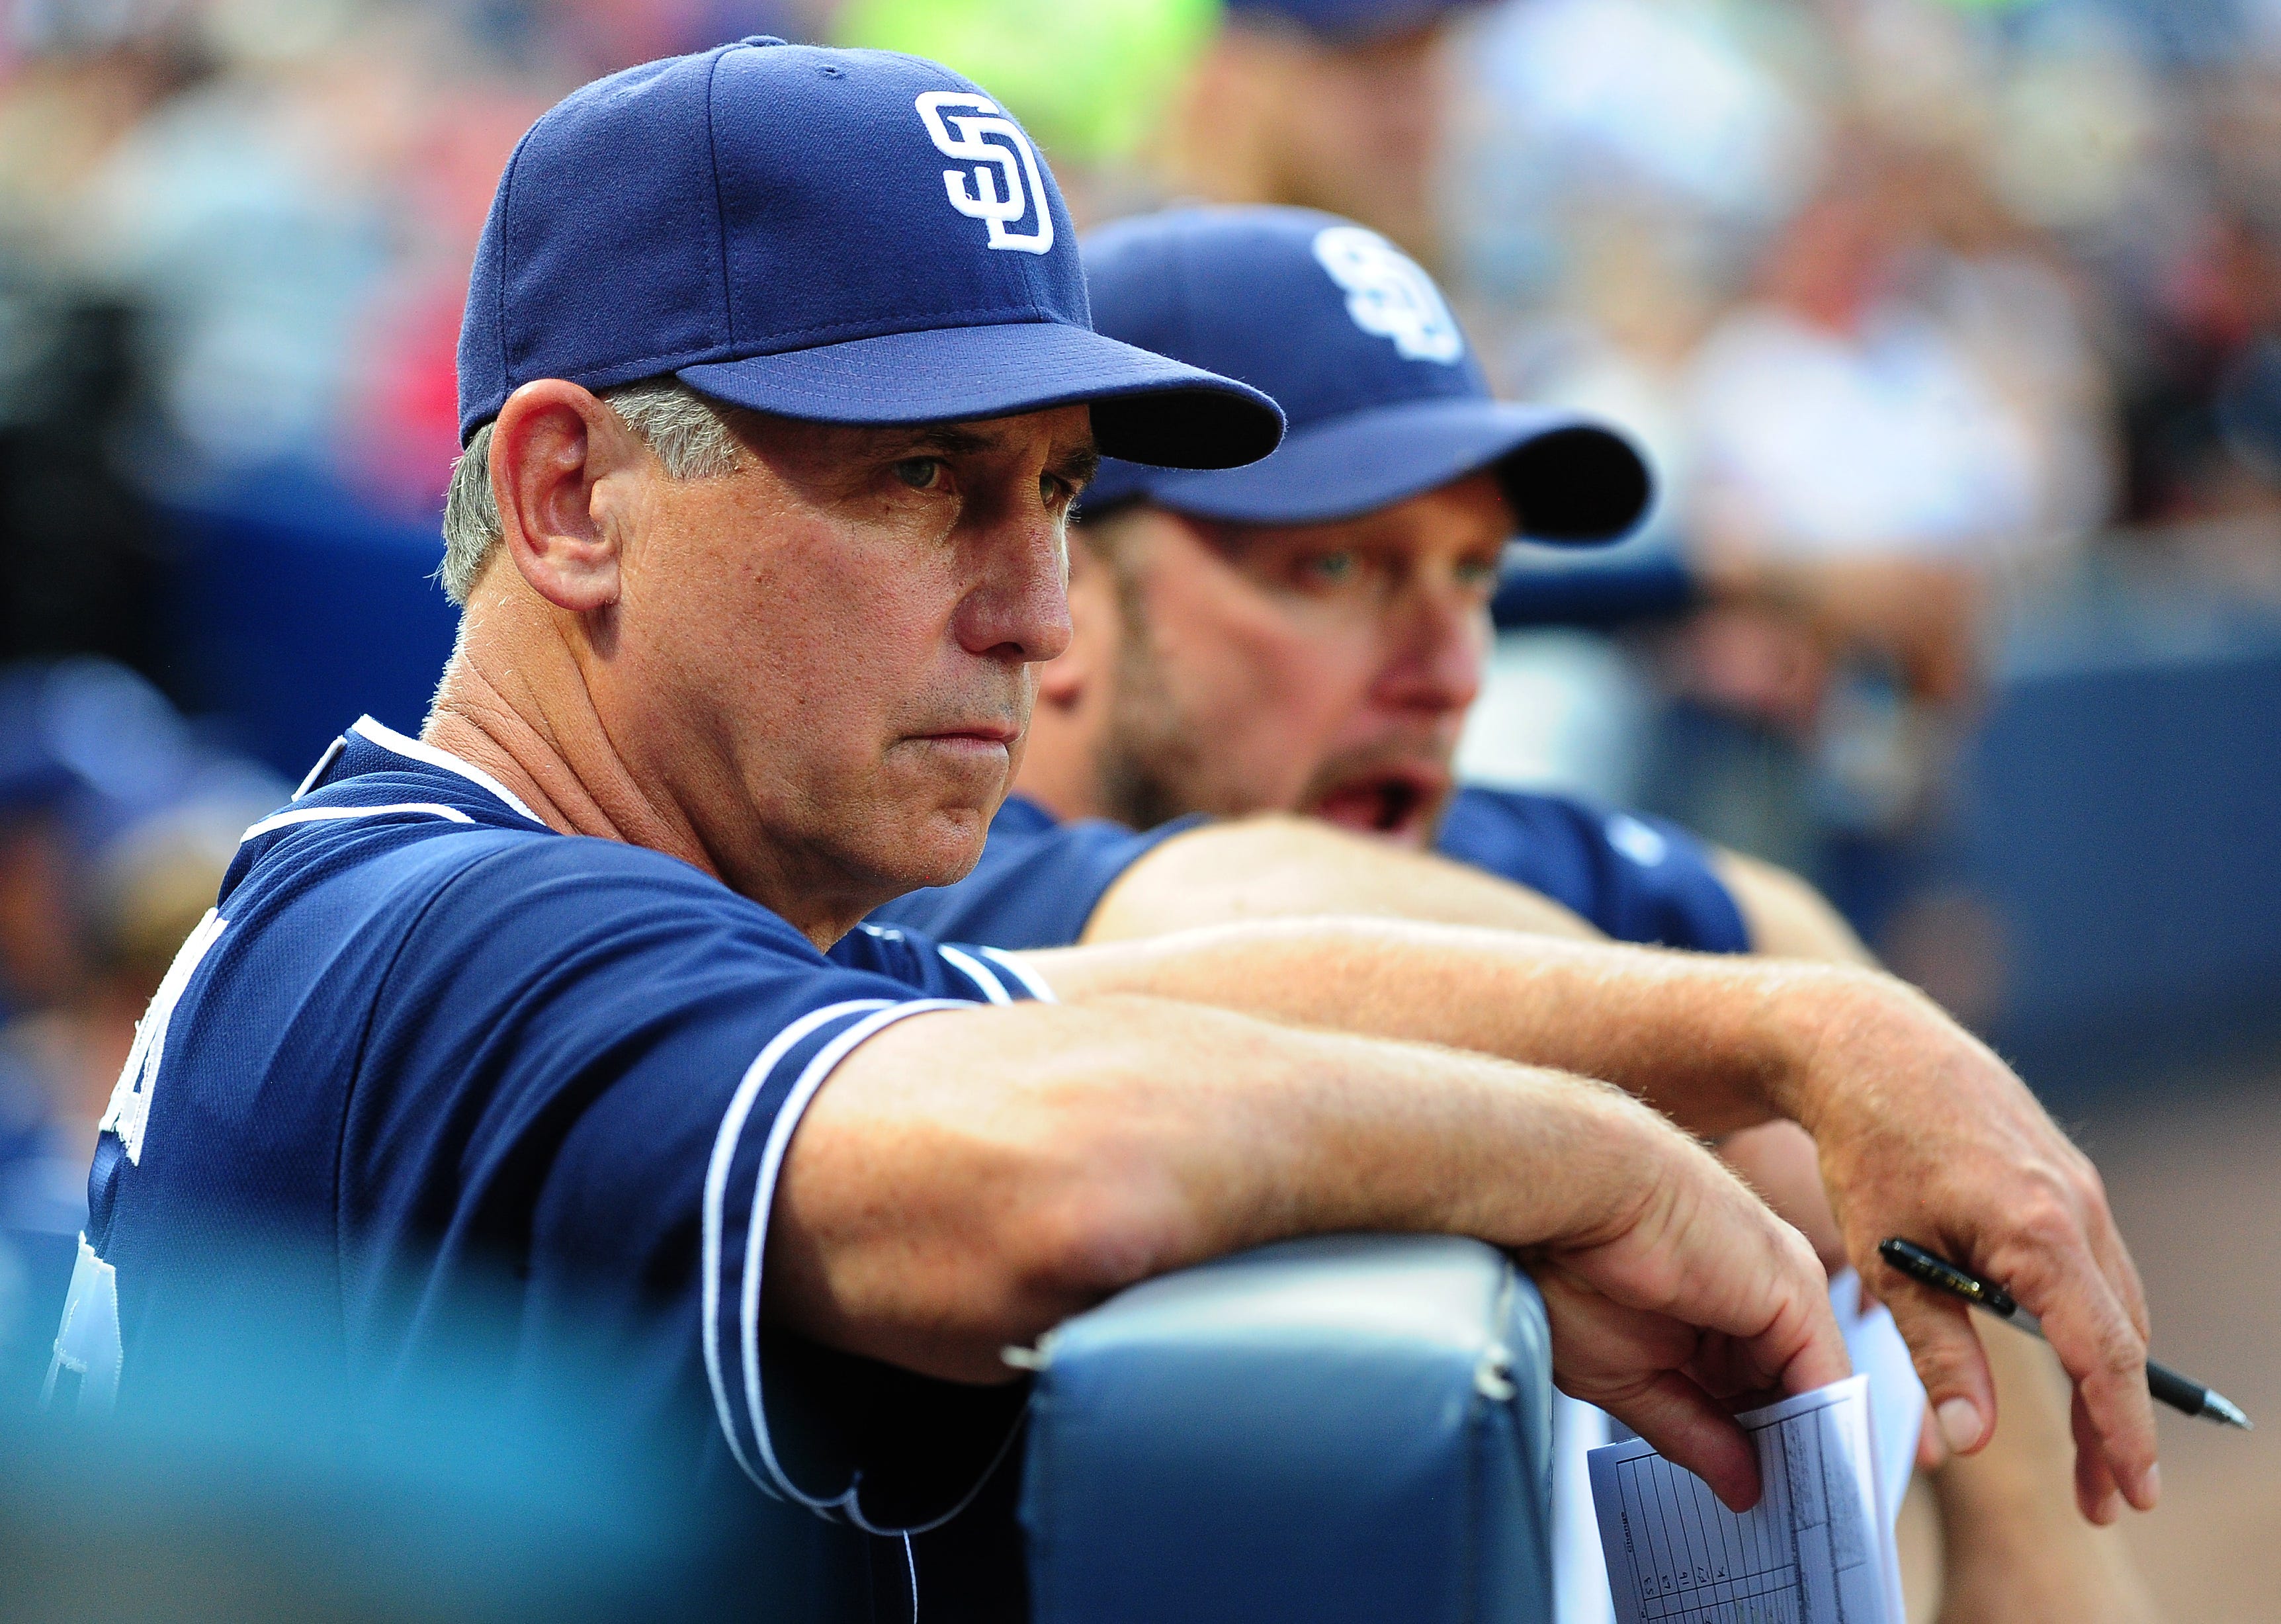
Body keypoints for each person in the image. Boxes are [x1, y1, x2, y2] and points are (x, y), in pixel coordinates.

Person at [60, 40, 2149, 1622]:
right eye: (925, 480)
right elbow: (1075, 1164)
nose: (1035, 605)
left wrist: (1789, 1039)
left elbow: (1148, 990)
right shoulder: (442, 930)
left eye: (1058, 492)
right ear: (570, 500)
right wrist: (1599, 1163)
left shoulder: (690, 912)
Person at [869, 205, 2156, 1619]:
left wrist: (2023, 1508)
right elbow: (1218, 905)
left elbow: (1770, 920)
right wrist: (1787, 1051)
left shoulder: (1433, 841)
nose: (1445, 669)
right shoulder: (910, 875)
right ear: (1069, 592)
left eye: (1473, 576)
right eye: (1337, 568)